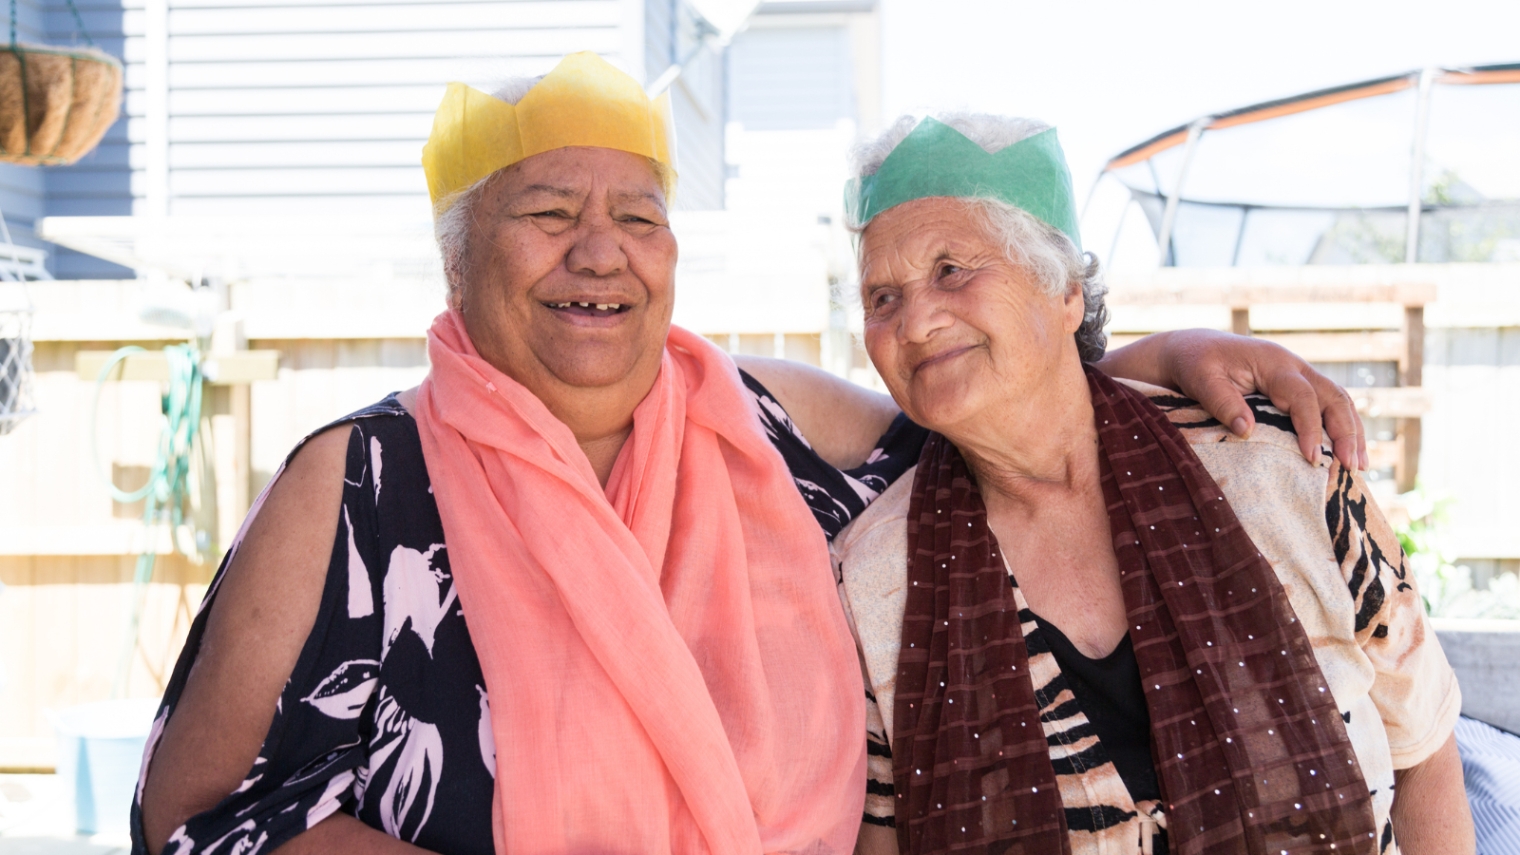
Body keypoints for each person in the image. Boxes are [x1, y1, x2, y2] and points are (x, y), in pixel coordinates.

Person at [132, 55, 1371, 855]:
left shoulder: (769, 426)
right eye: (548, 215)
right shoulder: (355, 482)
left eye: (639, 217)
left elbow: (997, 407)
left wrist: (1161, 351)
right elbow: (187, 814)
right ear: (459, 264)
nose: (600, 251)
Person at [832, 113, 1472, 855]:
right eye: (882, 298)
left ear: (1065, 291)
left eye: (951, 269)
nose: (913, 322)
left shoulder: (1278, 468)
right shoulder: (873, 580)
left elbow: (1424, 753)